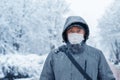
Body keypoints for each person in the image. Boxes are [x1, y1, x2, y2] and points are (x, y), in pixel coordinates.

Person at [40, 16, 115, 80]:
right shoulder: (54, 55)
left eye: (78, 31)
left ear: (84, 33)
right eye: (71, 31)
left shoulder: (97, 55)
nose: (75, 34)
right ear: (66, 34)